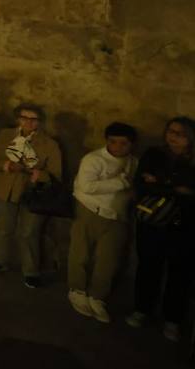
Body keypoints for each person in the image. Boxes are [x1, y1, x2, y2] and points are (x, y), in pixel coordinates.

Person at [127, 116, 195, 340]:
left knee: (179, 274)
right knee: (148, 267)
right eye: (171, 131)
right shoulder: (154, 154)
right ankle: (142, 309)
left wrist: (160, 183)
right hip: (152, 223)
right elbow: (142, 185)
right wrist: (176, 189)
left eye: (180, 134)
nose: (173, 137)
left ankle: (172, 319)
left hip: (184, 226)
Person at [0, 104, 63, 287]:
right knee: (4, 227)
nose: (28, 122)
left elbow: (56, 174)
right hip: (7, 189)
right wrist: (6, 165)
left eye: (33, 119)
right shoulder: (6, 135)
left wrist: (33, 172)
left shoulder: (49, 144)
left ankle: (31, 270)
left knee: (29, 232)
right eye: (24, 118)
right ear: (18, 119)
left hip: (32, 193)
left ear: (39, 122)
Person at [68, 121, 138, 322]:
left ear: (131, 144)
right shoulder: (94, 159)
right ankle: (77, 290)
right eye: (113, 142)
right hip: (90, 209)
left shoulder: (134, 162)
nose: (118, 147)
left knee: (109, 259)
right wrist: (121, 182)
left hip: (117, 215)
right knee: (81, 251)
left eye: (123, 143)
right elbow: (86, 186)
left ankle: (98, 296)